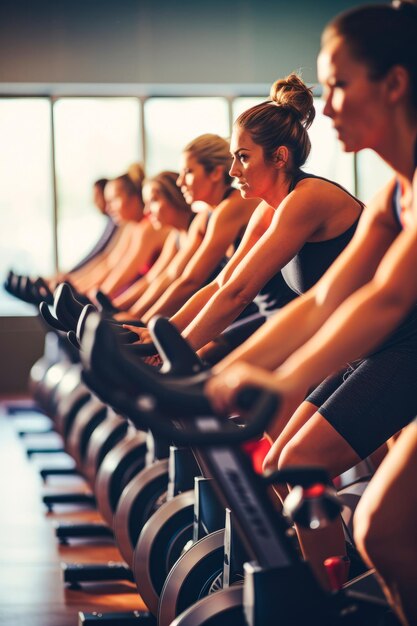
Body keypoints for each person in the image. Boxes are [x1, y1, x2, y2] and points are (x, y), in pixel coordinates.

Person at [205, 1, 417, 615]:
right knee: (308, 478)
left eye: (339, 86)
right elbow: (325, 299)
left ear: (395, 84)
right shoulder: (391, 199)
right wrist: (240, 375)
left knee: (379, 526)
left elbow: (390, 298)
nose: (324, 107)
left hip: (403, 348)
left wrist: (285, 378)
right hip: (389, 350)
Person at [127, 74, 363, 363]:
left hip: (383, 338)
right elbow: (224, 283)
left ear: (279, 157)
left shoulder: (307, 198)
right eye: (233, 158)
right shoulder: (268, 209)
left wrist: (176, 350)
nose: (233, 171)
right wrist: (162, 333)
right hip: (346, 339)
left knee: (218, 388)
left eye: (243, 157)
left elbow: (239, 294)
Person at [120, 133, 258, 322]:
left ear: (216, 173)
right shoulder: (204, 217)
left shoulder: (231, 208)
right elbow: (173, 275)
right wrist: (131, 316)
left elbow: (191, 282)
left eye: (189, 172)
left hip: (251, 308)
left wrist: (140, 322)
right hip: (234, 307)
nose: (180, 181)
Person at [70, 166, 172, 299]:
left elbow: (125, 270)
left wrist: (96, 297)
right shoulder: (132, 227)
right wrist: (78, 288)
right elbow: (111, 262)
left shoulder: (147, 228)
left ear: (134, 198)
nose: (108, 208)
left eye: (113, 200)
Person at [112, 170, 193, 311]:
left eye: (153, 201)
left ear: (173, 197)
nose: (147, 211)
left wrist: (136, 316)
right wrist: (115, 308)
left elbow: (180, 281)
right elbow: (155, 278)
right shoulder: (175, 236)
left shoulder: (196, 227)